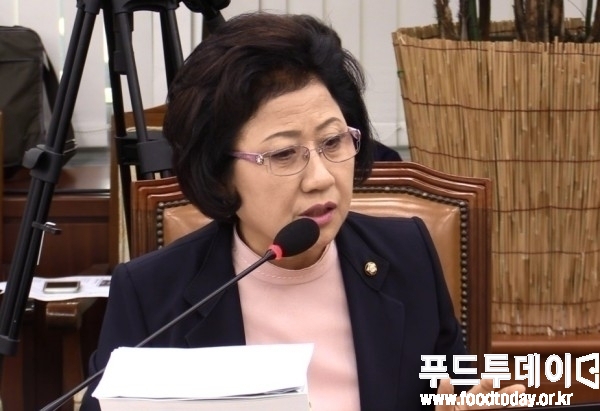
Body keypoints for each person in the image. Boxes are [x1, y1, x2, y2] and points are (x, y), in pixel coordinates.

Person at [80, 12, 523, 411]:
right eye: (284, 154)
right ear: (219, 174)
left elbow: (452, 387)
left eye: (333, 142)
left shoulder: (408, 256)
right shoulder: (152, 295)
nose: (320, 178)